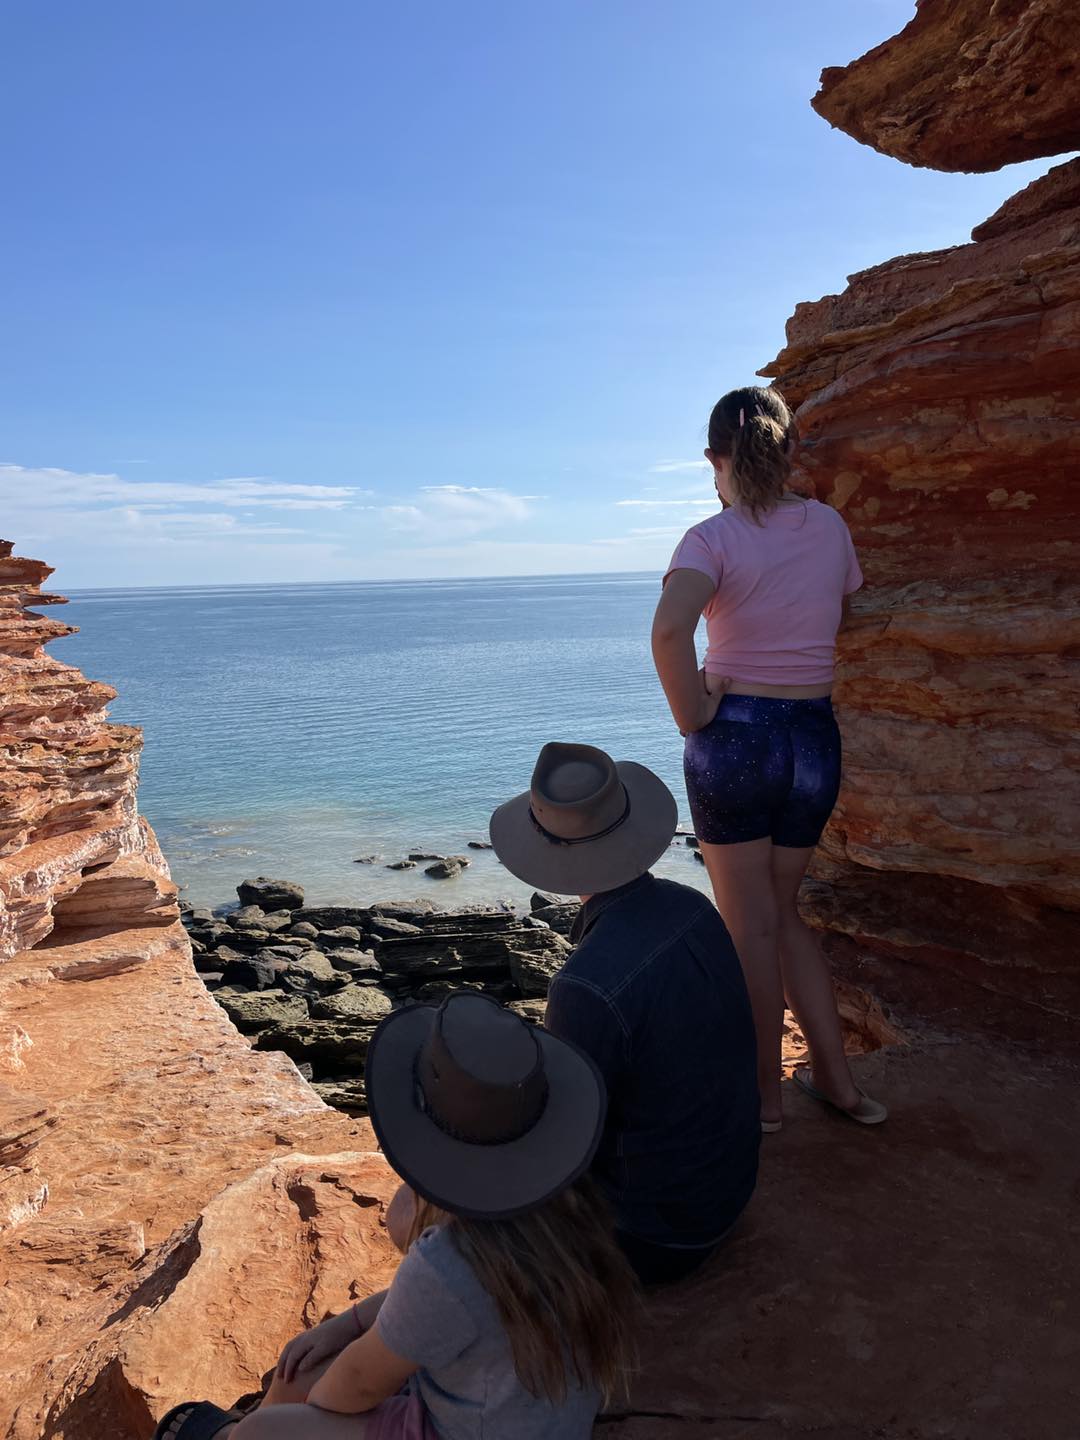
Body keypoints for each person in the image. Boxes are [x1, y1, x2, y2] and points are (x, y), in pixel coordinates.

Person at [151, 992, 638, 1440]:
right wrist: (349, 1323)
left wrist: (312, 1418)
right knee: (303, 1372)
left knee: (267, 1428)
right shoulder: (568, 1213)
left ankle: (233, 1434)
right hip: (519, 1417)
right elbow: (452, 1303)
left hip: (461, 1431)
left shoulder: (449, 1263)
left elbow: (359, 1382)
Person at [651, 383, 887, 1133]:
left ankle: (765, 1099)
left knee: (748, 926)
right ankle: (839, 1085)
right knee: (784, 916)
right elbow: (838, 612)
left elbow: (669, 631)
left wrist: (693, 714)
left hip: (736, 741)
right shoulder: (829, 526)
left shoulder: (710, 539)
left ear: (714, 460)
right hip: (812, 740)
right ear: (791, 451)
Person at [489, 741, 760, 1287]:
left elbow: (566, 1143)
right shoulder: (692, 906)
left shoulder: (584, 986)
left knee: (445, 1204)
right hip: (728, 1191)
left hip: (653, 1236)